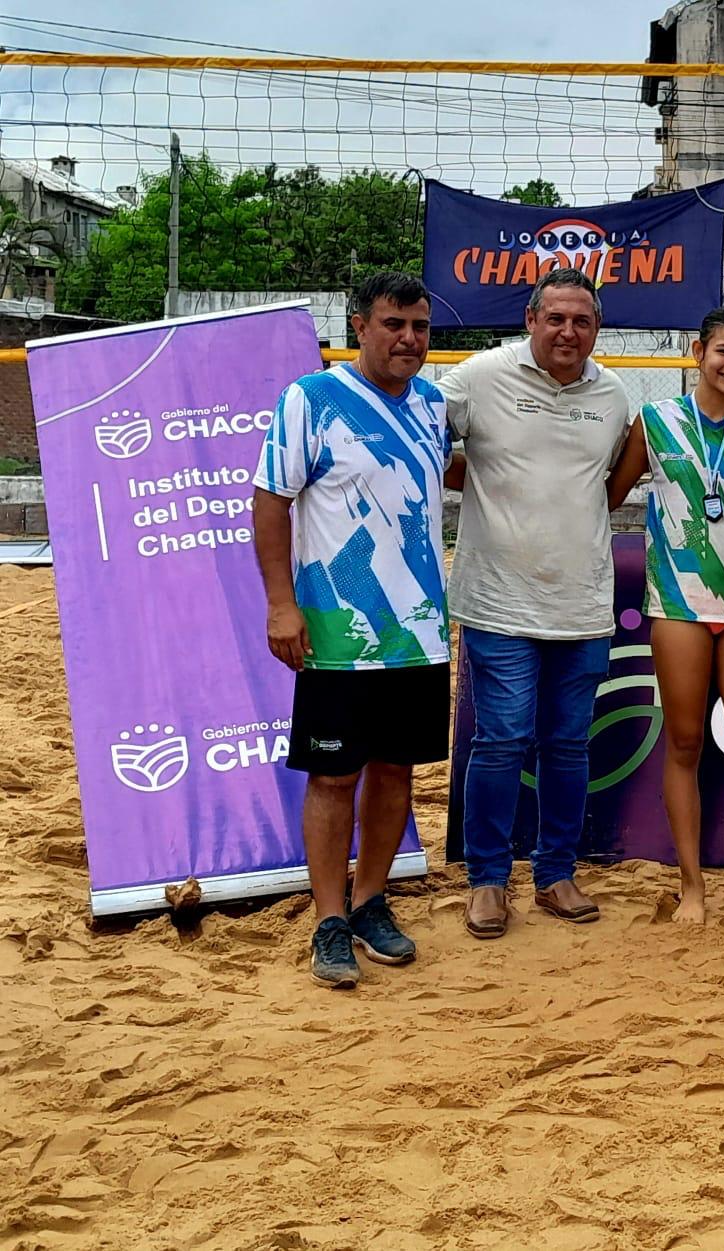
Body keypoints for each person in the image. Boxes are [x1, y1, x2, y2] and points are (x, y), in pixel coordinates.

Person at [253, 270, 458, 989]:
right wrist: (282, 604)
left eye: (420, 326)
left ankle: (372, 902)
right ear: (360, 328)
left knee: (396, 769)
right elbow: (272, 502)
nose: (408, 338)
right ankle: (329, 918)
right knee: (335, 774)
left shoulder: (434, 405)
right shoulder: (311, 398)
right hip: (340, 627)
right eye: (393, 323)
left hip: (420, 628)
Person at [439, 268, 634, 939]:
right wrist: (480, 478)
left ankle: (555, 874)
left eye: (581, 321)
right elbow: (419, 447)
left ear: (596, 329)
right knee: (499, 742)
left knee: (568, 745)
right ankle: (488, 881)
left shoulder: (612, 394)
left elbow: (601, 483)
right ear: (529, 319)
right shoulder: (476, 377)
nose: (567, 331)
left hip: (580, 603)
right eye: (555, 318)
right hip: (498, 601)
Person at [605, 306, 724, 926]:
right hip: (676, 600)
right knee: (684, 741)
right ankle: (693, 886)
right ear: (699, 351)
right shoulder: (654, 421)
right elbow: (610, 494)